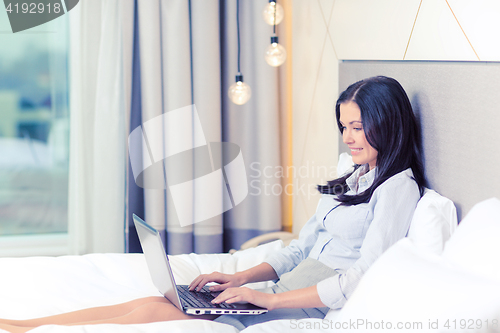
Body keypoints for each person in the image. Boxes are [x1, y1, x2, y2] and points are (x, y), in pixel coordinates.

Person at [0, 76, 426, 332]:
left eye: (357, 126)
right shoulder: (354, 176)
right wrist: (238, 277)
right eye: (343, 127)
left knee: (155, 309)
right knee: (162, 300)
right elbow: (298, 249)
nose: (348, 138)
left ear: (386, 122)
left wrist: (268, 302)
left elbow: (360, 277)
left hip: (301, 302)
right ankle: (31, 325)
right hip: (281, 289)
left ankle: (33, 327)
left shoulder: (398, 189)